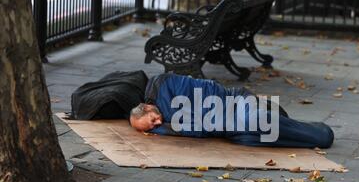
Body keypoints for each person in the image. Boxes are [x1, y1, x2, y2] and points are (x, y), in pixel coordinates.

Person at [129, 73, 334, 148]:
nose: (156, 125)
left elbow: (210, 89)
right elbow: (198, 130)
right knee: (249, 139)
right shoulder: (162, 123)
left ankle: (320, 134)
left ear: (147, 107)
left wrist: (208, 116)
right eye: (151, 128)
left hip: (235, 102)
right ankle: (307, 139)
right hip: (227, 126)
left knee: (255, 121)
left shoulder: (165, 85)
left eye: (152, 119)